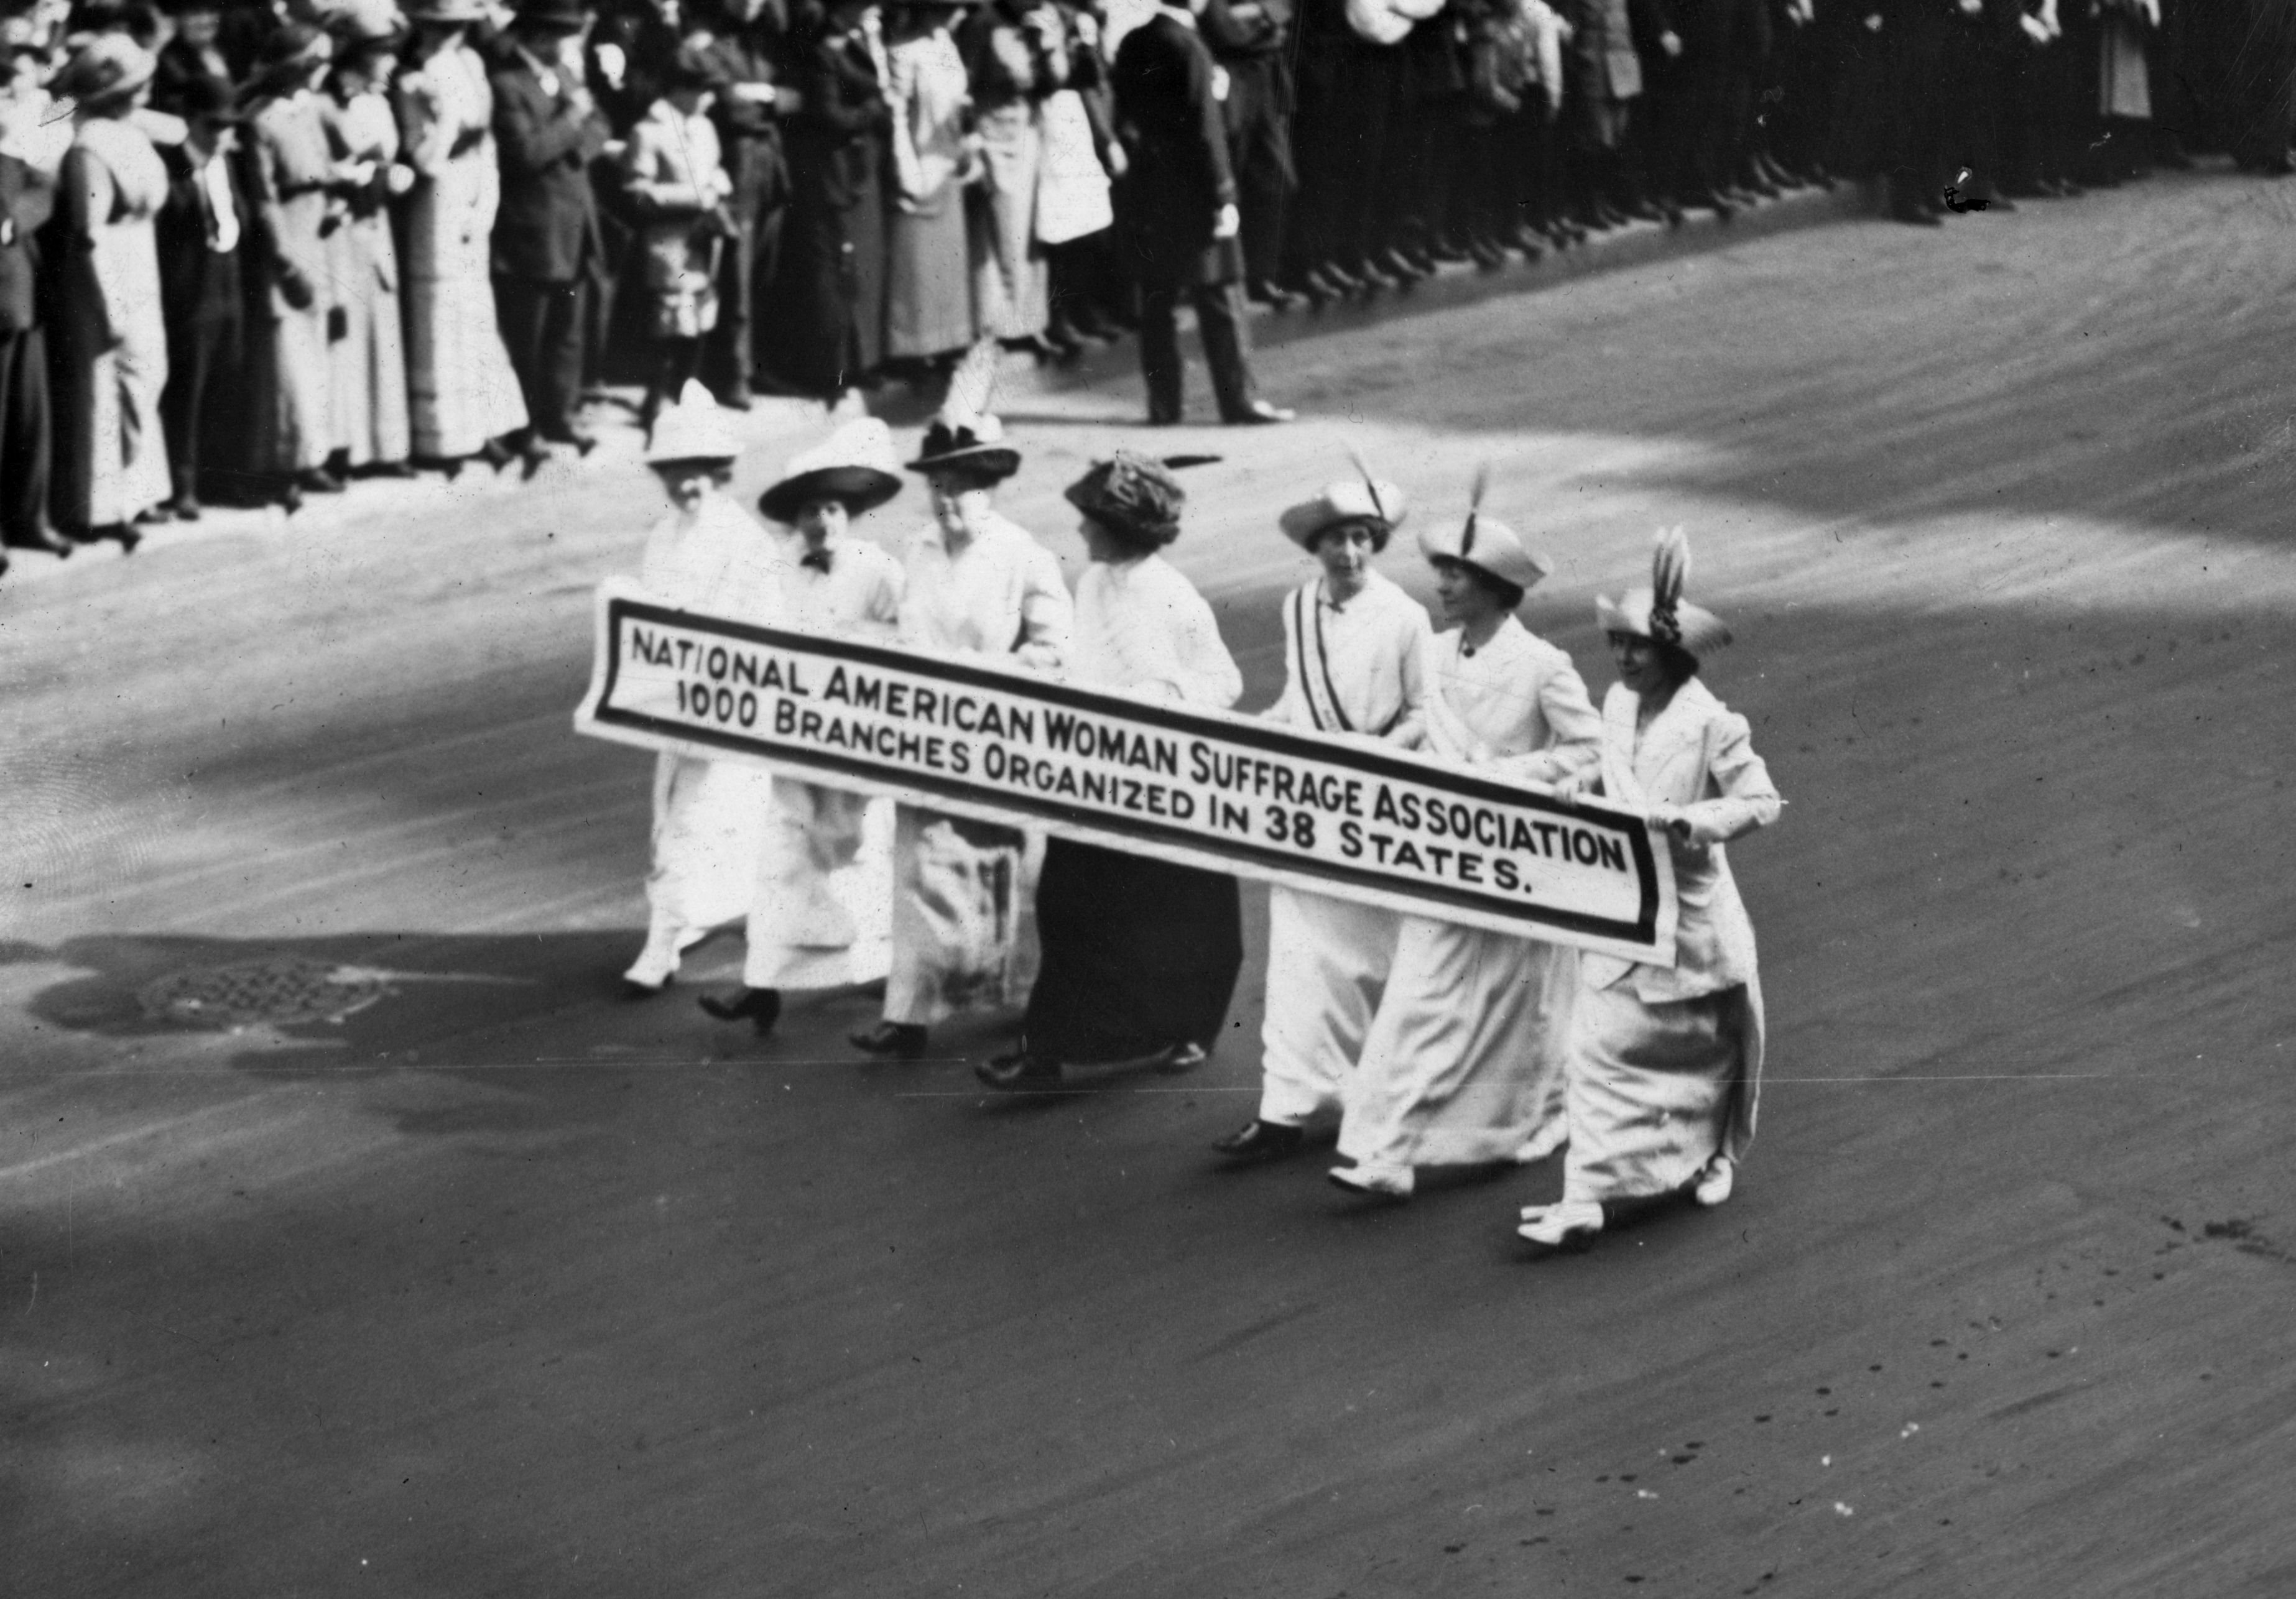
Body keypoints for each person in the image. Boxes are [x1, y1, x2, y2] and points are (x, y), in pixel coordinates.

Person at [1517, 528, 1782, 1251]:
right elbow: (1611, 770)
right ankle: (1583, 1197)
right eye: (1617, 645)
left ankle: (1718, 1153)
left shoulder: (1713, 723)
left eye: (1637, 647)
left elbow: (1759, 801)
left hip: (1693, 918)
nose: (1624, 658)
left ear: (1672, 652)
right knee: (1596, 1050)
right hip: (1622, 908)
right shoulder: (1615, 705)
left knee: (1713, 1050)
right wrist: (1580, 785)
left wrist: (1689, 821)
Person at [1328, 498, 1601, 1199]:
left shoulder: (1543, 665)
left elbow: (1589, 750)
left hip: (1519, 858)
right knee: (1418, 995)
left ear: (1495, 587)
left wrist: (1510, 779)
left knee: (1526, 1005)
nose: (1443, 587)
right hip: (1443, 851)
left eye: (1458, 575)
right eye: (1440, 573)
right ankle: (1384, 1150)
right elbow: (1422, 726)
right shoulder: (1434, 651)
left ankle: (1536, 1120)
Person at [976, 451, 1246, 1090]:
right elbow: (1087, 660)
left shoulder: (1171, 594)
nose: (1079, 532)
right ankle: (1047, 1049)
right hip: (1098, 771)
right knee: (1069, 905)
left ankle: (1190, 1026)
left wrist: (1165, 697)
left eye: (1090, 520)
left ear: (1121, 526)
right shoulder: (1093, 584)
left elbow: (1224, 681)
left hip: (1169, 778)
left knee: (1186, 913)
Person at [849, 368, 1072, 1059]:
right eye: (938, 485)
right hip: (925, 738)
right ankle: (909, 1011)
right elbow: (896, 630)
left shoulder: (1022, 557)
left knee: (1010, 877)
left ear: (989, 487)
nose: (948, 500)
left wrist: (982, 678)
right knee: (916, 863)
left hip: (998, 739)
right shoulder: (915, 550)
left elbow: (1054, 654)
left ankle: (1032, 998)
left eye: (963, 485)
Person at [1213, 473, 1430, 1163]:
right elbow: (1295, 698)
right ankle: (1284, 1110)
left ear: (1377, 543)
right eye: (1336, 538)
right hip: (1308, 809)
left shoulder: (1403, 616)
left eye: (1361, 538)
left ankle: (1382, 1098)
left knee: (1376, 968)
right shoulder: (1298, 606)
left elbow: (1426, 714)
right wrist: (1253, 730)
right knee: (1296, 963)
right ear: (1316, 546)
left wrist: (1372, 756)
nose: (1349, 552)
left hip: (1374, 810)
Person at [700, 416, 908, 1035]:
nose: (824, 522)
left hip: (861, 738)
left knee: (865, 851)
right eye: (813, 510)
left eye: (835, 510)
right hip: (796, 738)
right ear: (796, 519)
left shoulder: (876, 569)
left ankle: (889, 969)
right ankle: (761, 984)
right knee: (781, 855)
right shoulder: (773, 569)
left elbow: (908, 643)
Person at [621, 380, 791, 993]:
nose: (684, 485)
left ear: (718, 473)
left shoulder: (747, 542)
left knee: (705, 821)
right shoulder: (663, 536)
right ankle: (675, 927)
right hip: (678, 705)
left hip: (731, 707)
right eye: (673, 473)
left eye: (696, 473)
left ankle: (667, 939)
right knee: (673, 818)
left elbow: (766, 630)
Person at [1108, 0, 1293, 425]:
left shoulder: (1136, 41)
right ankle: (1239, 399)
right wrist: (1224, 194)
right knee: (1222, 296)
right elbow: (1206, 128)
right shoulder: (1188, 46)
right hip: (1194, 192)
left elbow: (1127, 115)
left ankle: (1164, 405)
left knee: (1157, 302)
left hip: (1149, 189)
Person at [45, 33, 172, 548]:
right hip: (106, 272)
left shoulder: (132, 132)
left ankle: (140, 491)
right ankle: (102, 506)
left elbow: (177, 129)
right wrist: (110, 304)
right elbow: (88, 234)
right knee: (107, 384)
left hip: (143, 261)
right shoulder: (89, 148)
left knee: (145, 377)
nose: (144, 89)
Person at [396, 0, 529, 471]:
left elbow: (487, 137)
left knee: (476, 307)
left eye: (456, 26)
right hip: (438, 197)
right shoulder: (411, 79)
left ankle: (487, 424)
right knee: (441, 309)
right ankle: (445, 437)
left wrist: (487, 202)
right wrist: (444, 117)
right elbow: (426, 159)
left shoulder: (471, 63)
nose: (448, 36)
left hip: (474, 186)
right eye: (439, 26)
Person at [491, 0, 612, 464]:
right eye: (562, 35)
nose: (567, 44)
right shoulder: (507, 85)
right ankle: (527, 428)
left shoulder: (563, 73)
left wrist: (576, 144)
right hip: (534, 230)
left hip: (576, 222)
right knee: (530, 334)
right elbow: (524, 153)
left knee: (568, 330)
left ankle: (559, 415)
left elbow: (600, 123)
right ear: (539, 36)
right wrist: (571, 122)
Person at [239, 24, 341, 508]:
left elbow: (321, 164)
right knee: (283, 362)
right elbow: (263, 200)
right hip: (287, 245)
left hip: (317, 233)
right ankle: (279, 467)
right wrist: (284, 259)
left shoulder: (309, 112)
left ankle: (309, 457)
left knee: (313, 352)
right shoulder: (260, 121)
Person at [771, 0, 889, 403]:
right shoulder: (820, 54)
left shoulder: (845, 48)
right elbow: (831, 116)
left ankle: (854, 363)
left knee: (850, 270)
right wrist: (871, 110)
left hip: (845, 172)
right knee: (830, 271)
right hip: (826, 174)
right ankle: (831, 371)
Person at [618, 39, 734, 431]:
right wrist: (695, 197)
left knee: (700, 319)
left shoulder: (704, 127)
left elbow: (716, 168)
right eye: (703, 91)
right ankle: (657, 395)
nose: (710, 99)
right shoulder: (647, 132)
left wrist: (719, 185)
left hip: (703, 239)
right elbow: (637, 190)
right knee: (669, 322)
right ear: (680, 89)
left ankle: (686, 391)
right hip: (668, 242)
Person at [150, 63, 246, 522]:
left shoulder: (228, 164)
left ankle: (219, 477)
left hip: (227, 288)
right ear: (190, 120)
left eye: (230, 127)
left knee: (226, 384)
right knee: (187, 392)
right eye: (214, 126)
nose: (223, 136)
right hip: (189, 295)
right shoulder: (171, 167)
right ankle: (183, 484)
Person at [322, 12, 415, 476]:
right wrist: (373, 176)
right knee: (346, 338)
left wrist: (390, 177)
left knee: (380, 331)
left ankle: (385, 446)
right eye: (383, 53)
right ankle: (345, 449)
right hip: (341, 231)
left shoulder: (379, 102)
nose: (392, 63)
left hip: (376, 225)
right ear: (358, 56)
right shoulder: (330, 103)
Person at [688, 0, 789, 410]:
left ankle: (757, 363)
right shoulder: (709, 47)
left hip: (770, 162)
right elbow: (730, 107)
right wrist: (767, 99)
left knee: (765, 267)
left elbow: (794, 97)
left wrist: (762, 96)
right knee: (737, 272)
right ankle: (733, 372)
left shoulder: (766, 45)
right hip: (738, 161)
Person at [958, 0, 1062, 348]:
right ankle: (1001, 323)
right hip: (993, 133)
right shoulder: (981, 25)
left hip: (1026, 130)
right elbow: (965, 87)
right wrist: (971, 137)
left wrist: (1046, 46)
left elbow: (1051, 84)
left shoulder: (1033, 22)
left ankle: (1029, 321)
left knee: (1029, 231)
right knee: (1003, 231)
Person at [883, 0, 979, 366]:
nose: (959, 14)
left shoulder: (946, 45)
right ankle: (915, 351)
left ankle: (947, 342)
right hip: (919, 166)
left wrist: (967, 144)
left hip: (948, 162)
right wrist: (906, 169)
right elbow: (898, 114)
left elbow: (958, 101)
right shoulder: (903, 52)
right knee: (917, 263)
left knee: (947, 260)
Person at [1, 59, 65, 566]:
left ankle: (30, 517)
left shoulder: (28, 128)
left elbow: (42, 187)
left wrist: (13, 222)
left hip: (22, 292)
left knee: (28, 415)